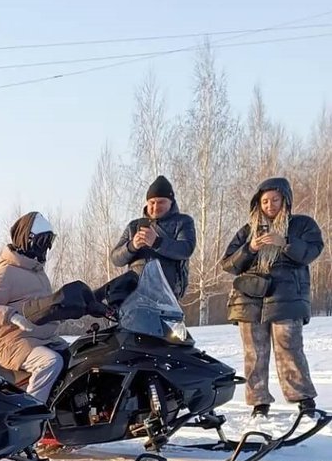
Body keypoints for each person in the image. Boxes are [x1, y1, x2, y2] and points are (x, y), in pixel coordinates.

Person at [0, 212, 108, 403]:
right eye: (43, 241)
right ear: (28, 241)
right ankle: (32, 415)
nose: (46, 248)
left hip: (41, 340)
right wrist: (10, 315)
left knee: (81, 356)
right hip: (11, 342)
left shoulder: (39, 275)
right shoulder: (7, 272)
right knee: (50, 363)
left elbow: (46, 310)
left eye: (49, 242)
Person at [221, 177, 323, 419]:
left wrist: (285, 242)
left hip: (286, 299)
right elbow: (228, 264)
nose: (269, 205)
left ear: (285, 200)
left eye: (275, 200)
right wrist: (251, 248)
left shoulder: (302, 225)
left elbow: (312, 251)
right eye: (264, 200)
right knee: (254, 353)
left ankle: (303, 399)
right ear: (258, 203)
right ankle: (259, 403)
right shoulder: (248, 231)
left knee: (290, 348)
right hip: (249, 300)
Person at [109, 175, 196, 299]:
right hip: (135, 296)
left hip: (167, 297)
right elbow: (115, 258)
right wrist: (132, 246)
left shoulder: (183, 222)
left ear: (171, 202)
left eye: (161, 202)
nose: (155, 207)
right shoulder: (133, 226)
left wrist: (157, 243)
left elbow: (186, 249)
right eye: (152, 202)